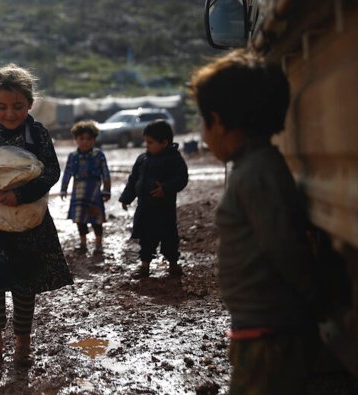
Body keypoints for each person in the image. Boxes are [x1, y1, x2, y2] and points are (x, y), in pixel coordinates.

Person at [191, 49, 318, 394]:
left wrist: (318, 307)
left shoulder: (256, 173)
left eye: (203, 123)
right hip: (260, 330)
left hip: (268, 336)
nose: (203, 135)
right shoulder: (256, 166)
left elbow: (285, 249)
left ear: (218, 121)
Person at [0, 64, 73, 374]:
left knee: (25, 287)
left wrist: (21, 195)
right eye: (2, 107)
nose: (10, 113)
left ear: (30, 104)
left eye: (18, 106)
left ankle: (23, 349)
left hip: (29, 223)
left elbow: (51, 170)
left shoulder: (37, 133)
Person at [119, 120, 188, 278]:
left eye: (150, 142)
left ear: (164, 142)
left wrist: (165, 188)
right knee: (146, 238)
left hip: (165, 209)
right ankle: (144, 266)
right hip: (145, 208)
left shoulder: (173, 159)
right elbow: (133, 179)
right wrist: (127, 197)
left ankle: (173, 265)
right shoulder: (143, 159)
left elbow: (181, 178)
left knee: (169, 237)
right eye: (146, 142)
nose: (147, 146)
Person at [60, 120, 112, 254]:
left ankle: (98, 245)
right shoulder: (73, 156)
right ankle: (83, 244)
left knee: (96, 220)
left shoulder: (99, 155)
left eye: (89, 139)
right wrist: (63, 188)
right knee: (80, 220)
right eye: (81, 138)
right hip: (78, 192)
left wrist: (106, 190)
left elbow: (106, 173)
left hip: (94, 192)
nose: (85, 142)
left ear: (94, 139)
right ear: (76, 139)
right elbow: (67, 173)